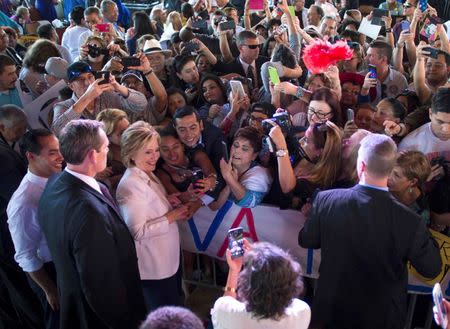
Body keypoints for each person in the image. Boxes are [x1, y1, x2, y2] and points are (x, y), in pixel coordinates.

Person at [298, 133, 442, 329]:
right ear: (390, 169)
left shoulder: (326, 200)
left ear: (362, 165)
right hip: (381, 317)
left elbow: (306, 240)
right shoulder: (410, 221)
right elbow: (431, 267)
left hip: (331, 311)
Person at [38, 119, 147, 329]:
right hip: (98, 317)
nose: (109, 151)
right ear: (92, 155)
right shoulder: (88, 212)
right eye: (106, 147)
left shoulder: (55, 183)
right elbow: (100, 285)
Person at [116, 121, 189, 310]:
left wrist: (167, 199)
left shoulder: (147, 172)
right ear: (131, 153)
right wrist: (172, 216)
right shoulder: (130, 185)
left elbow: (151, 204)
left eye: (156, 150)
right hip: (155, 268)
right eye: (148, 152)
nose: (155, 156)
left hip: (168, 259)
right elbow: (138, 231)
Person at [7, 129, 63, 329]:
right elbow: (25, 255)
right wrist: (50, 289)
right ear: (31, 156)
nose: (61, 157)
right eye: (52, 153)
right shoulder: (23, 202)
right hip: (49, 273)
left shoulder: (57, 177)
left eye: (59, 150)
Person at [0, 105, 45, 329]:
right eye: (19, 128)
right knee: (21, 287)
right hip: (7, 237)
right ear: (2, 127)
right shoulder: (3, 157)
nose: (22, 132)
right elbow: (17, 195)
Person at [211, 241, 311, 329]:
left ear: (247, 285)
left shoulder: (227, 313)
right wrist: (257, 256)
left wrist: (234, 270)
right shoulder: (302, 312)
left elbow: (226, 302)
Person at [52, 61, 147, 134]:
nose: (87, 83)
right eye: (80, 80)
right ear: (71, 86)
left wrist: (117, 87)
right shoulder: (63, 106)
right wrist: (87, 98)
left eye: (90, 77)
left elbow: (141, 104)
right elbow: (58, 130)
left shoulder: (108, 96)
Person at [212, 126, 272, 209]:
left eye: (244, 149)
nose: (237, 151)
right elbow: (213, 205)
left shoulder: (260, 174)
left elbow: (249, 202)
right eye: (235, 145)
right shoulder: (224, 164)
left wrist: (228, 177)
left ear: (254, 156)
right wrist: (230, 182)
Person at [388, 150, 431, 220]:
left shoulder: (420, 212)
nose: (388, 177)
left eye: (396, 175)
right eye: (389, 170)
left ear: (413, 182)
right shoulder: (385, 185)